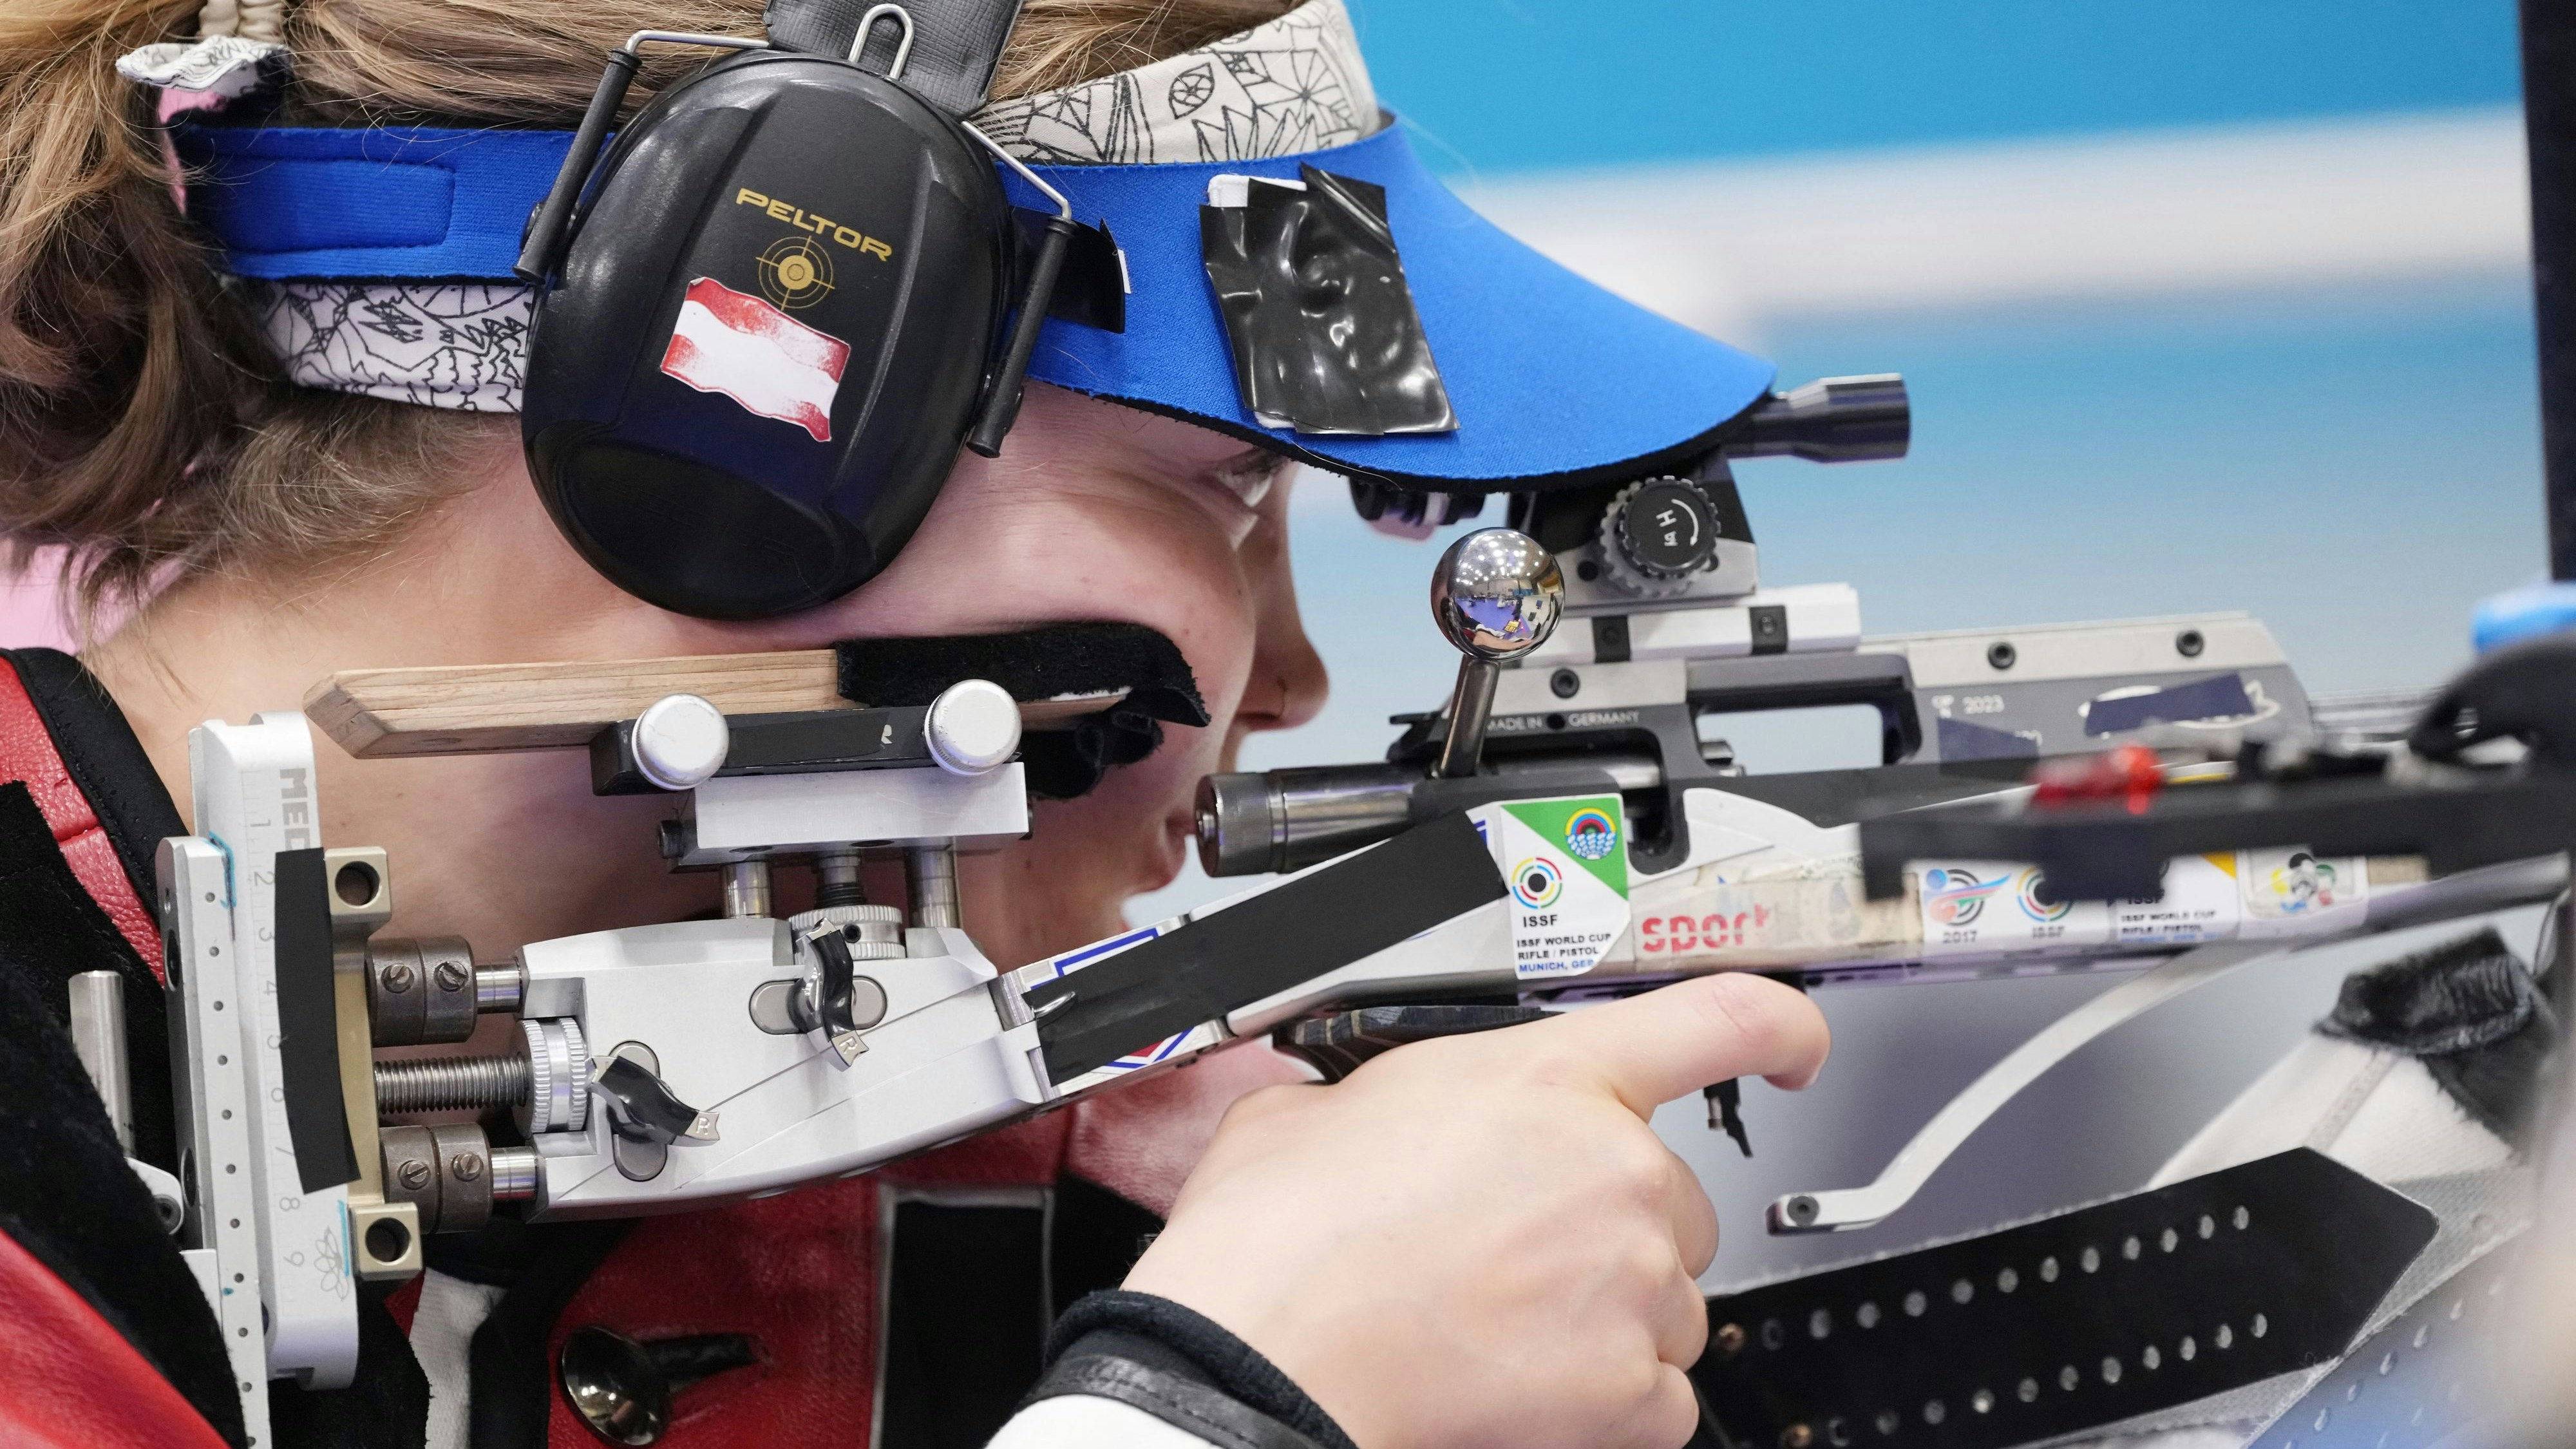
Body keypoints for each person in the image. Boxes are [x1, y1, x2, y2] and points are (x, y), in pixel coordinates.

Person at [0, 0, 1831, 1446]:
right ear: (746, 414)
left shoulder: (1055, 1157)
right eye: (1225, 490)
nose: (1289, 679)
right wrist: (1217, 1405)